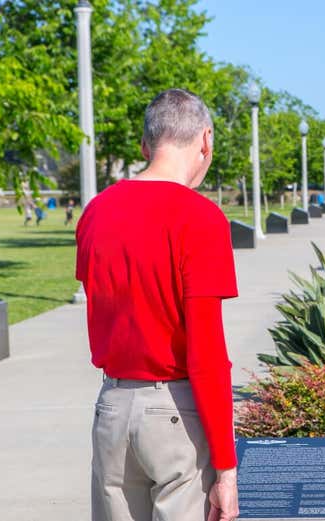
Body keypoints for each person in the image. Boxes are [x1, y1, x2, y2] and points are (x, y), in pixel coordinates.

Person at [76, 88, 239, 521]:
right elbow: (206, 353)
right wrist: (226, 470)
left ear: (146, 145)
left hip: (112, 405)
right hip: (173, 411)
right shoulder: (201, 218)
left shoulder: (96, 212)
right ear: (205, 140)